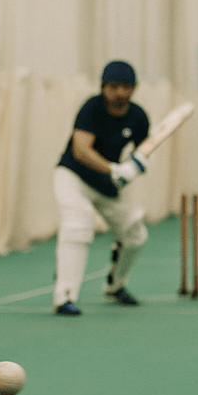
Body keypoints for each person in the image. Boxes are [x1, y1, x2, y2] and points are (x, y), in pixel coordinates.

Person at [52, 59, 150, 315]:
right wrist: (115, 170)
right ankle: (64, 297)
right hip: (73, 176)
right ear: (104, 88)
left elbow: (144, 150)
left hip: (105, 185)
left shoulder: (138, 116)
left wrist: (136, 165)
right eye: (114, 86)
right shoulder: (92, 108)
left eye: (126, 87)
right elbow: (81, 150)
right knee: (78, 223)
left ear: (134, 88)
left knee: (135, 233)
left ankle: (116, 285)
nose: (120, 93)